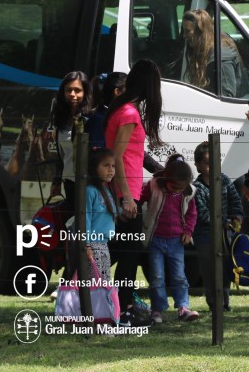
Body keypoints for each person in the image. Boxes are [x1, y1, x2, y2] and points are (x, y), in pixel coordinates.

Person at [106, 58, 163, 327]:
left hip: (125, 191)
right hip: (125, 193)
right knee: (128, 256)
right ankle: (124, 309)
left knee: (122, 252)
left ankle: (119, 306)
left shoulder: (122, 109)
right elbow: (116, 158)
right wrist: (127, 197)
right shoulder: (129, 113)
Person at [140, 154, 200, 323]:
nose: (177, 190)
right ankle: (157, 309)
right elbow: (140, 199)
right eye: (174, 187)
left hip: (176, 241)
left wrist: (188, 231)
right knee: (157, 276)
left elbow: (191, 214)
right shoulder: (154, 186)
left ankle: (183, 307)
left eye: (181, 188)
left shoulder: (188, 192)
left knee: (179, 276)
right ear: (166, 178)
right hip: (155, 239)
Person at [191, 141, 244, 312]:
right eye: (207, 163)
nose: (211, 167)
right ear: (198, 165)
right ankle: (213, 302)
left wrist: (237, 215)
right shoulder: (196, 188)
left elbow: (235, 200)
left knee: (227, 266)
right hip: (205, 235)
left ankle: (225, 301)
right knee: (209, 269)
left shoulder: (225, 180)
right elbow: (203, 214)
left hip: (225, 234)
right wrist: (224, 221)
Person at [87, 71, 163, 173]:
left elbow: (133, 148)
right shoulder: (99, 119)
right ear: (117, 92)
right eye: (130, 91)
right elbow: (98, 156)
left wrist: (158, 169)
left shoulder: (118, 115)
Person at [49, 71, 93, 210]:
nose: (72, 94)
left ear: (85, 92)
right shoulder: (60, 118)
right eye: (68, 90)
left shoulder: (90, 118)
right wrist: (56, 181)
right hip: (69, 182)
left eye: (78, 90)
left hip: (88, 185)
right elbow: (60, 154)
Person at [180, 9, 243, 97]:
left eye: (187, 31)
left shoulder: (221, 57)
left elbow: (226, 96)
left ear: (200, 32)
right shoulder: (205, 51)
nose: (184, 36)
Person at [83, 147, 118, 283]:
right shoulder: (90, 191)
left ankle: (100, 305)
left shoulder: (107, 191)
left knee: (103, 282)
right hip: (92, 245)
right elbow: (85, 218)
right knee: (95, 283)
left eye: (113, 166)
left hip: (103, 245)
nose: (111, 170)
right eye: (106, 165)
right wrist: (87, 245)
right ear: (94, 168)